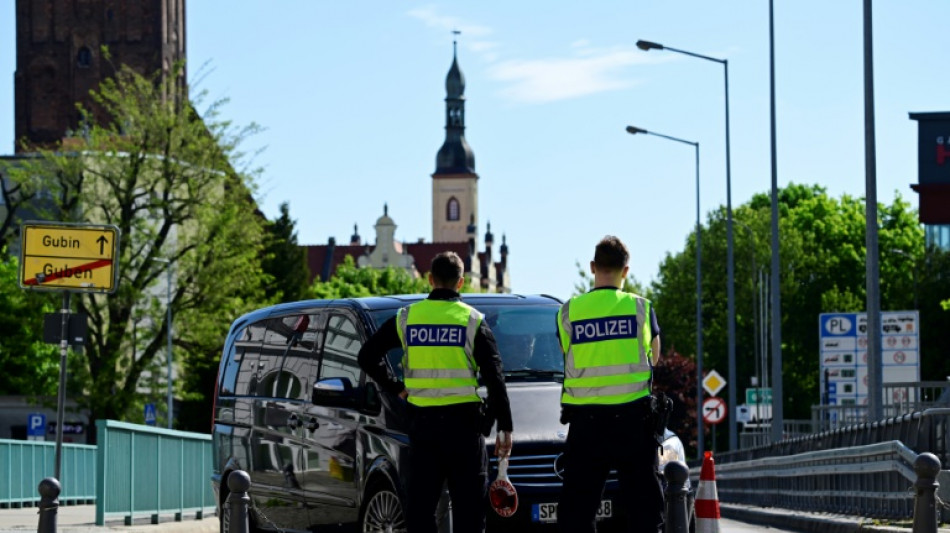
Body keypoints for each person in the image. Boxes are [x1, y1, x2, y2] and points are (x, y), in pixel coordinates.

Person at [357, 251, 514, 533]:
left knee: (420, 511)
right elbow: (495, 377)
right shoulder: (472, 320)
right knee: (469, 513)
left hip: (423, 429)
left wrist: (397, 388)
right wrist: (501, 425)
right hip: (464, 429)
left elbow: (367, 356)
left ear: (430, 279)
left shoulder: (407, 318)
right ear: (461, 282)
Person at [555, 236, 664, 533]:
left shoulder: (569, 312)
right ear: (625, 270)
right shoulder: (641, 308)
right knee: (644, 512)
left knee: (577, 514)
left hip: (586, 423)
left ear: (593, 267)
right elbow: (655, 358)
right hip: (633, 421)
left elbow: (566, 352)